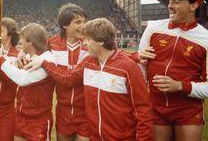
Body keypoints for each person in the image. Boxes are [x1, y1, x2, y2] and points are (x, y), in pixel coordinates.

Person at [25, 18, 153, 140]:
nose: (84, 43)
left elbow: (143, 110)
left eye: (88, 39)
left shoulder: (128, 68)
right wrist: (43, 62)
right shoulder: (88, 62)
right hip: (94, 137)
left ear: (101, 41)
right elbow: (68, 79)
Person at [138, 0, 208, 141]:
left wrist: (180, 86)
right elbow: (141, 66)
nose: (170, 5)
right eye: (169, 0)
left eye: (176, 1)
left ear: (193, 5)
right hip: (156, 106)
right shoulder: (152, 28)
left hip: (188, 110)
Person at [0, 23, 55, 141]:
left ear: (30, 42)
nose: (20, 43)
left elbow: (22, 79)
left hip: (38, 121)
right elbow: (12, 62)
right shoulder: (31, 56)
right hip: (20, 116)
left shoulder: (47, 60)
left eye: (22, 40)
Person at [47, 3, 90, 141]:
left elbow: (112, 53)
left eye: (84, 21)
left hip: (86, 112)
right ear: (65, 24)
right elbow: (33, 50)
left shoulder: (90, 44)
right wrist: (22, 53)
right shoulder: (52, 43)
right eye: (78, 22)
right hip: (63, 112)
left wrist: (137, 56)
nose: (83, 26)